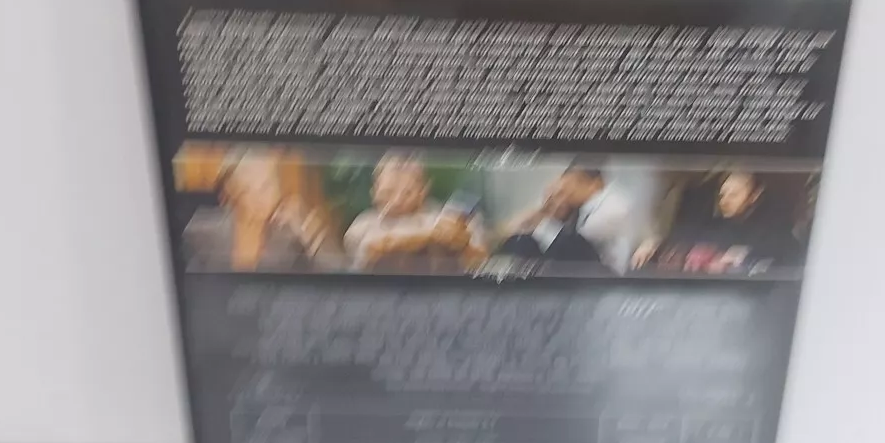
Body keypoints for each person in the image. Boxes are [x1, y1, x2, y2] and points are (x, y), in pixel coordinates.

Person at [183, 150, 337, 272]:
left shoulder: (289, 234)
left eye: (266, 186)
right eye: (247, 190)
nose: (260, 199)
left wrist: (308, 232)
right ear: (230, 196)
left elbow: (338, 274)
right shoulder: (200, 234)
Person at [632, 170, 799, 274]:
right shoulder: (714, 226)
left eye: (734, 195)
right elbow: (683, 238)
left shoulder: (774, 234)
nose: (725, 201)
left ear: (754, 195)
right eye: (722, 195)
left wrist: (740, 257)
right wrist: (654, 243)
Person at [344, 154, 488, 272]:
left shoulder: (447, 217)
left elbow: (479, 260)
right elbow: (373, 250)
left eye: (407, 193)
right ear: (374, 191)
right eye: (388, 192)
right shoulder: (363, 224)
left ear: (423, 190)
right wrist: (432, 236)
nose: (397, 201)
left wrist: (462, 244)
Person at [495, 163, 633, 273]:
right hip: (583, 270)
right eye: (562, 191)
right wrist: (543, 210)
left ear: (593, 184)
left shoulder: (612, 206)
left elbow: (580, 244)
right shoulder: (579, 208)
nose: (567, 194)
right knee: (523, 242)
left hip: (603, 275)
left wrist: (549, 217)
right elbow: (515, 228)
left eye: (569, 187)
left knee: (554, 243)